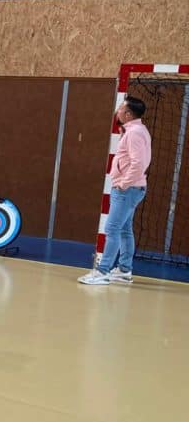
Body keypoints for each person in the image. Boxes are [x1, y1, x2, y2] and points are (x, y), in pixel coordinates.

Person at [79, 97, 152, 285]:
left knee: (112, 228)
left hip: (127, 190)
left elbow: (139, 163)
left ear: (128, 114)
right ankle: (124, 270)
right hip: (132, 188)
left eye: (120, 108)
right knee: (125, 229)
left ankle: (103, 271)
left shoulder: (134, 133)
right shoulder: (137, 130)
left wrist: (124, 183)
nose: (117, 111)